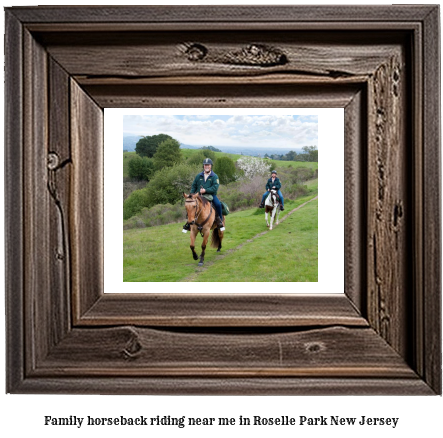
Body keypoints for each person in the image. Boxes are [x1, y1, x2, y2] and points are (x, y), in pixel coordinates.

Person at [183, 158, 225, 231]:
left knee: (218, 204)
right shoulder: (198, 176)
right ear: (203, 166)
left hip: (211, 195)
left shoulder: (215, 176)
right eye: (205, 165)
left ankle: (220, 222)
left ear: (211, 166)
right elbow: (194, 186)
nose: (206, 166)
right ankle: (188, 223)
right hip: (198, 196)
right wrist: (191, 195)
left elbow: (215, 187)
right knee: (190, 205)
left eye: (208, 165)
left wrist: (206, 190)